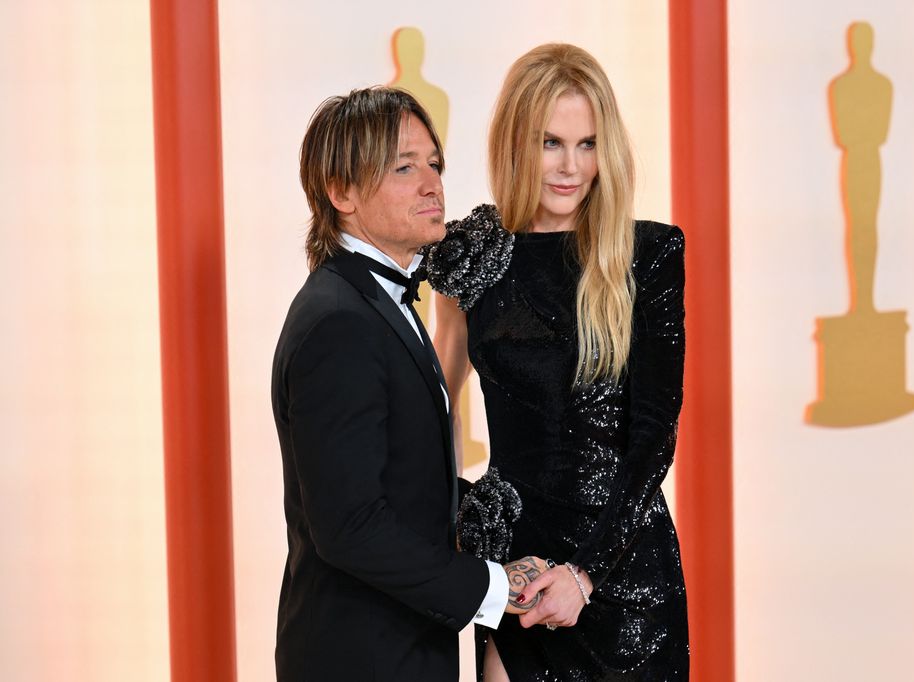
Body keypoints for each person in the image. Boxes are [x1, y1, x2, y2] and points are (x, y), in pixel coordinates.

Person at [427, 44, 690, 680]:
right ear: (518, 141)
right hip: (518, 575)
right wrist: (463, 519)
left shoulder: (646, 255)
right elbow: (432, 411)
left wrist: (586, 573)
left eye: (588, 144)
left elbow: (654, 436)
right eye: (551, 143)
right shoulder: (475, 261)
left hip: (624, 577)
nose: (571, 167)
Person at [271, 87, 547, 682]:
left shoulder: (377, 304)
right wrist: (494, 588)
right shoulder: (338, 322)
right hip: (360, 659)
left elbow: (398, 478)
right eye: (404, 167)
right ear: (339, 192)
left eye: (434, 164)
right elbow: (350, 527)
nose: (432, 184)